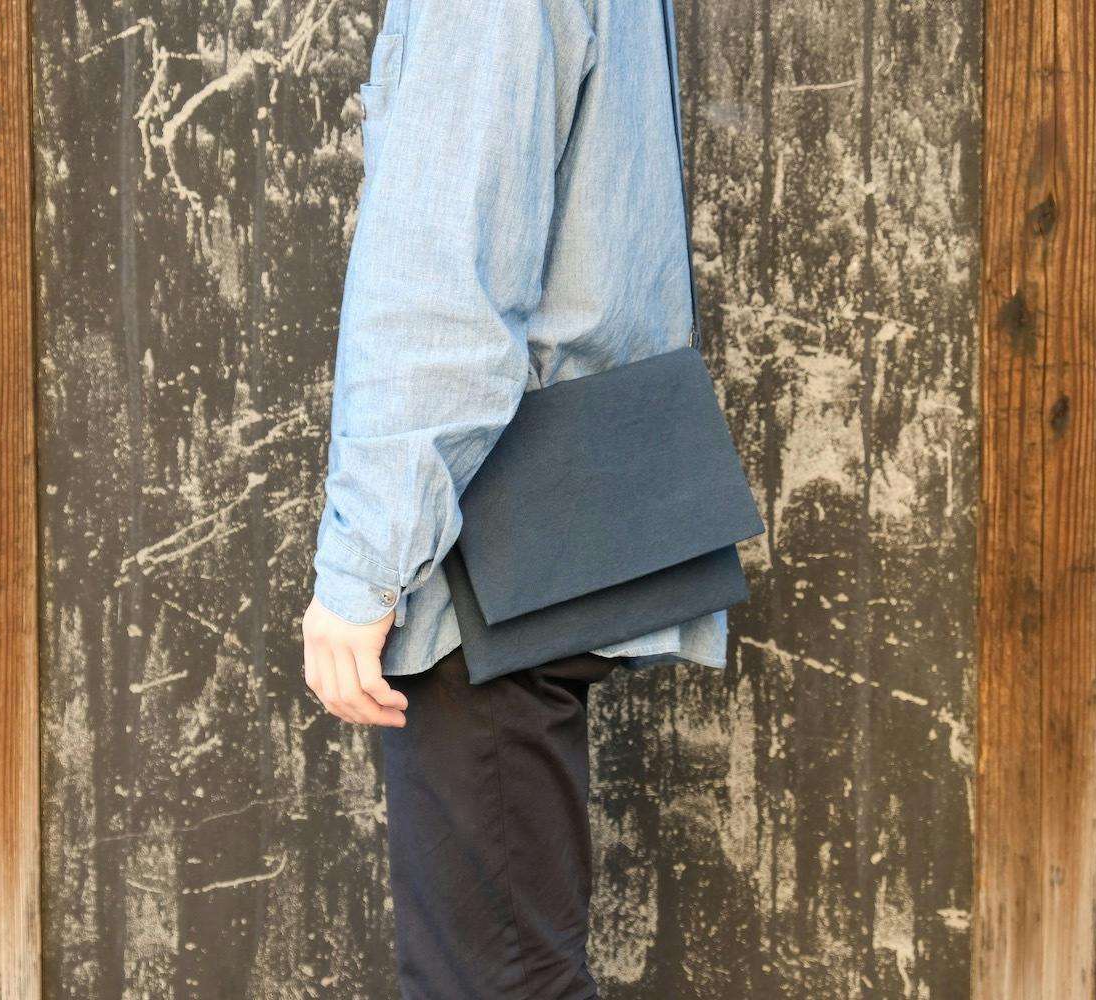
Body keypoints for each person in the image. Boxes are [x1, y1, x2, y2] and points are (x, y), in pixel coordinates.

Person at [300, 0, 726, 995]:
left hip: (479, 567)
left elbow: (446, 287)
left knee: (495, 981)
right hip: (543, 534)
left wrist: (364, 568)